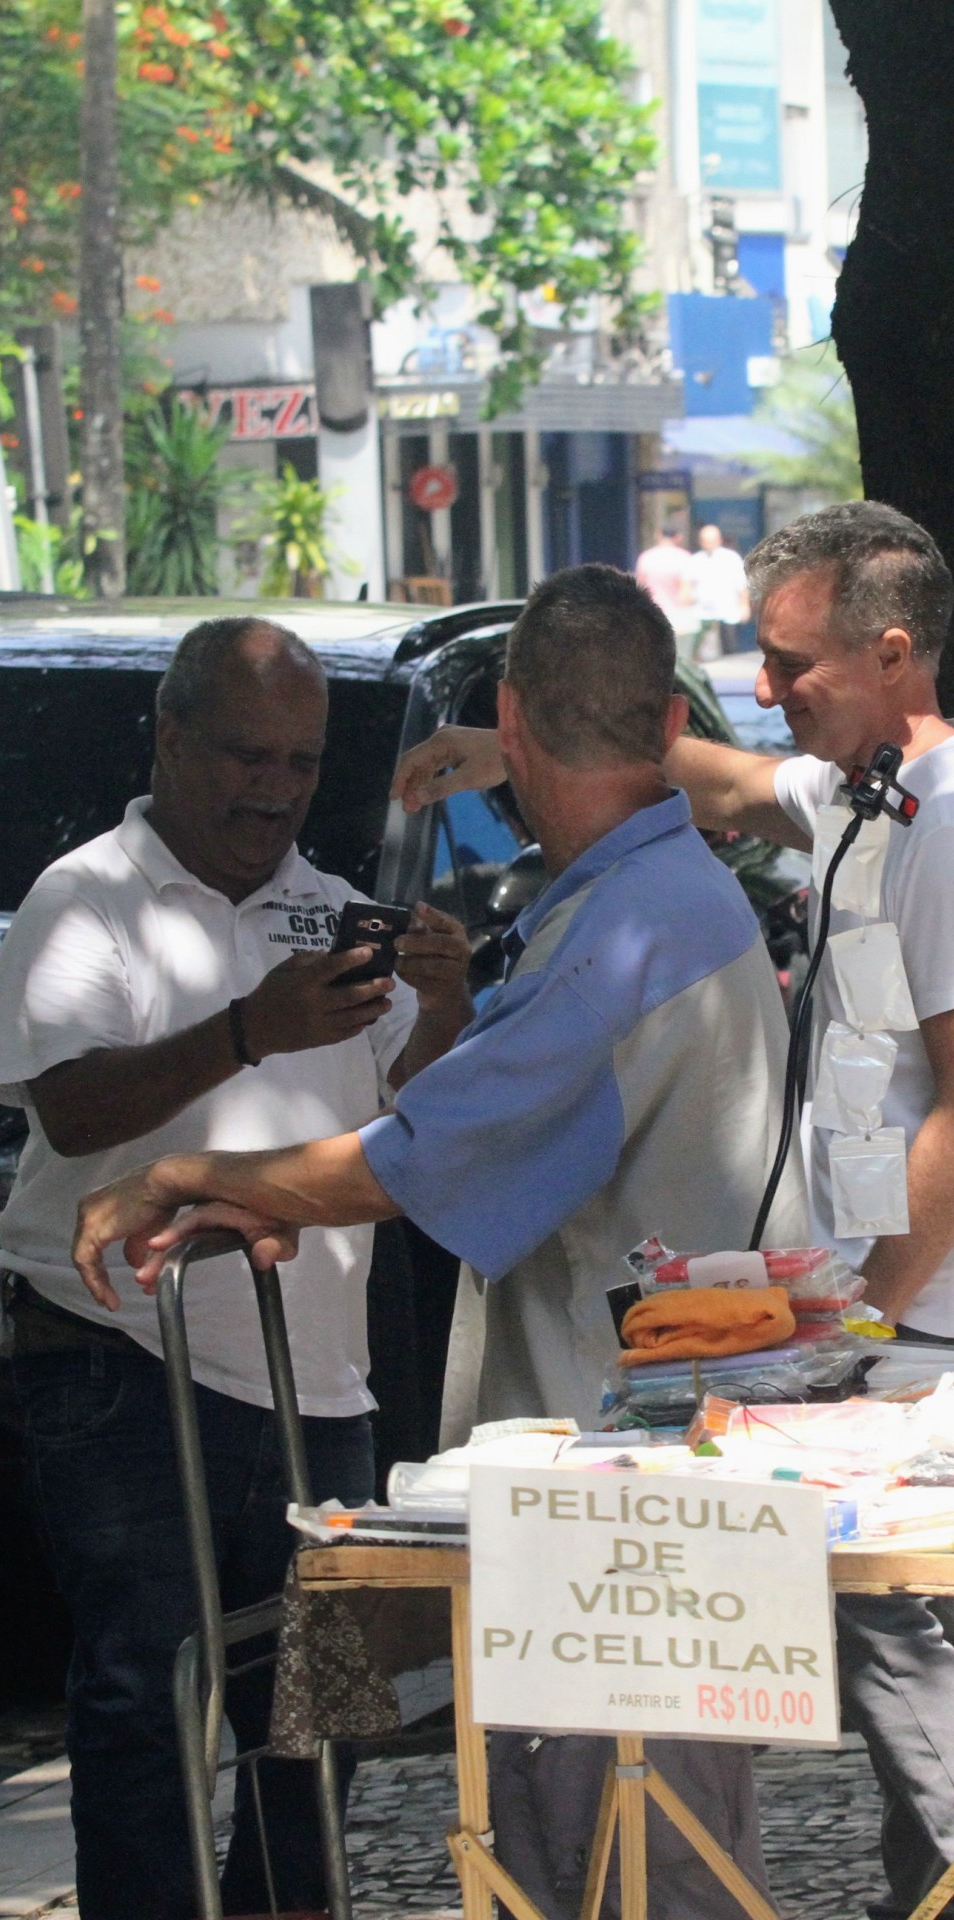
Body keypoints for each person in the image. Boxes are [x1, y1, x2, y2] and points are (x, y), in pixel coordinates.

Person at [72, 566, 809, 1920]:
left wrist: (185, 1171)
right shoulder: (666, 898)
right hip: (660, 1464)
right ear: (666, 722)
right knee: (645, 1839)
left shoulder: (629, 929)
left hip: (618, 1489)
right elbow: (452, 1141)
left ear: (510, 721)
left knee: (624, 1852)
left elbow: (407, 1162)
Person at [381, 499, 954, 1920]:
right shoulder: (861, 796)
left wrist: (856, 1331)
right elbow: (719, 778)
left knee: (930, 1731)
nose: (768, 685)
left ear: (894, 655)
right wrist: (521, 741)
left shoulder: (944, 827)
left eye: (795, 662)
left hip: (918, 1351)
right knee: (876, 1741)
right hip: (863, 1347)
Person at [0, 615, 473, 1920]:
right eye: (249, 755)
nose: (275, 789)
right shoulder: (86, 897)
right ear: (170, 736)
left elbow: (410, 1124)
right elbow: (74, 1111)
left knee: (331, 1710)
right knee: (147, 1698)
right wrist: (249, 1029)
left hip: (318, 1379)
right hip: (125, 1358)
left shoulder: (331, 904)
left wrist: (448, 1006)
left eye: (301, 762)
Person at [635, 522, 698, 659]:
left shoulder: (645, 558)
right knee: (680, 661)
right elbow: (685, 594)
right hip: (677, 620)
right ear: (678, 537)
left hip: (652, 619)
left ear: (658, 535)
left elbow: (639, 590)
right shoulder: (684, 558)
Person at [691, 524, 750, 661]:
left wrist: (744, 606)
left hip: (727, 612)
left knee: (729, 649)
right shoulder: (696, 560)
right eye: (705, 541)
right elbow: (687, 585)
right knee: (702, 651)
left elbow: (741, 584)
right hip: (703, 613)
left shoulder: (731, 558)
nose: (708, 544)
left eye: (711, 541)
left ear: (719, 540)